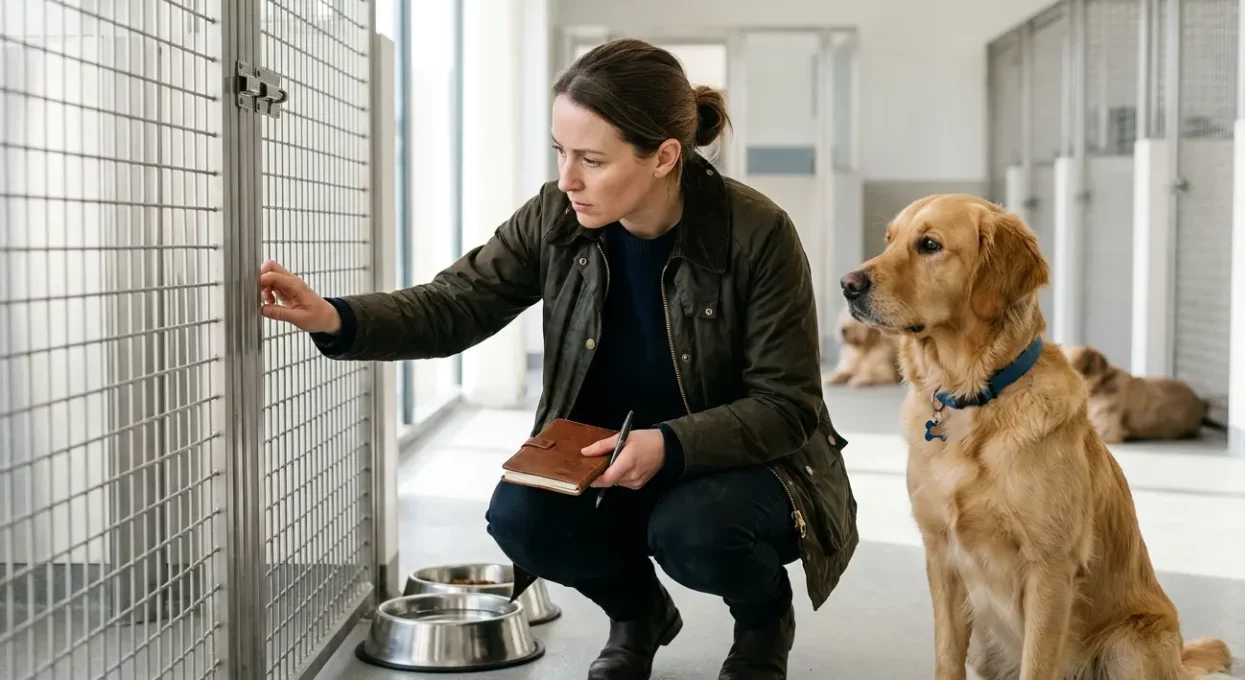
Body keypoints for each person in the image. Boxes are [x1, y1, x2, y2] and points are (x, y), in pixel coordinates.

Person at [258, 37, 859, 680]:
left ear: (663, 157)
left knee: (695, 530)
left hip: (740, 466)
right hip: (605, 451)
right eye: (561, 152)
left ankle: (764, 621)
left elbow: (786, 405)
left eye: (592, 160)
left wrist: (668, 445)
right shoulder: (556, 215)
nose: (568, 178)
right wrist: (334, 316)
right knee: (520, 518)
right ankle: (638, 615)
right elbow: (454, 304)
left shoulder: (758, 232)